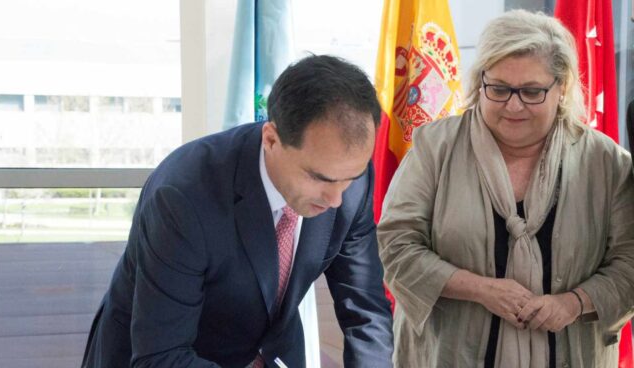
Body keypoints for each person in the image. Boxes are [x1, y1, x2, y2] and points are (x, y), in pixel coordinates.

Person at [82, 55, 393, 368]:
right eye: (319, 178)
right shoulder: (183, 196)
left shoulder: (350, 181)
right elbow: (161, 356)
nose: (336, 199)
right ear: (271, 139)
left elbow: (365, 311)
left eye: (348, 179)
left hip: (272, 352)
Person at [378, 10, 634, 368]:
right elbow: (396, 244)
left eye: (531, 92)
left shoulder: (605, 163)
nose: (513, 105)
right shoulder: (435, 148)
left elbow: (629, 262)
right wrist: (479, 289)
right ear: (479, 81)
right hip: (449, 353)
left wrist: (573, 302)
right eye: (498, 89)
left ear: (562, 88)